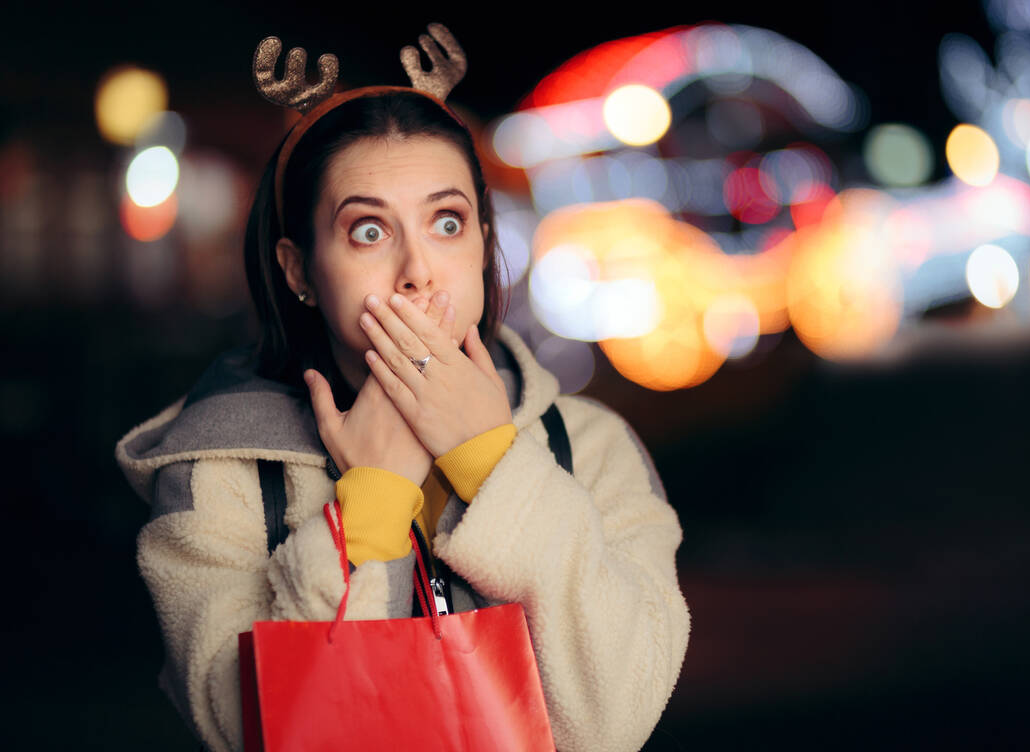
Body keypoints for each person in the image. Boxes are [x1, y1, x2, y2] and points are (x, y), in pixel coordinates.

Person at [116, 25, 689, 752]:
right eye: (368, 232)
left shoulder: (589, 444)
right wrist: (373, 506)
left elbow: (616, 719)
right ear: (297, 271)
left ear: (484, 241)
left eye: (447, 223)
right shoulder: (217, 470)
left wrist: (492, 464)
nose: (418, 271)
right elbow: (251, 733)